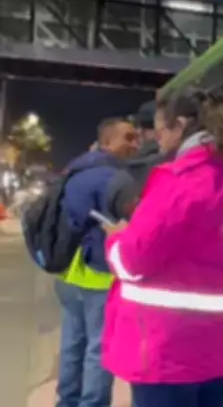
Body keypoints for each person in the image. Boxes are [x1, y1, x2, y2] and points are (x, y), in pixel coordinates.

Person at [101, 89, 223, 407]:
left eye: (161, 130)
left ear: (180, 126)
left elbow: (133, 260)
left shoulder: (180, 182)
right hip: (218, 349)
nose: (158, 140)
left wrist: (116, 239)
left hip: (168, 352)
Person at [56, 117, 139, 407]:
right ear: (107, 142)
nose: (135, 145)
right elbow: (136, 224)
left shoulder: (74, 171)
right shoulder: (116, 178)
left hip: (69, 272)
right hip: (101, 274)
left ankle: (67, 401)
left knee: (72, 344)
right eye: (127, 138)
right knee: (100, 349)